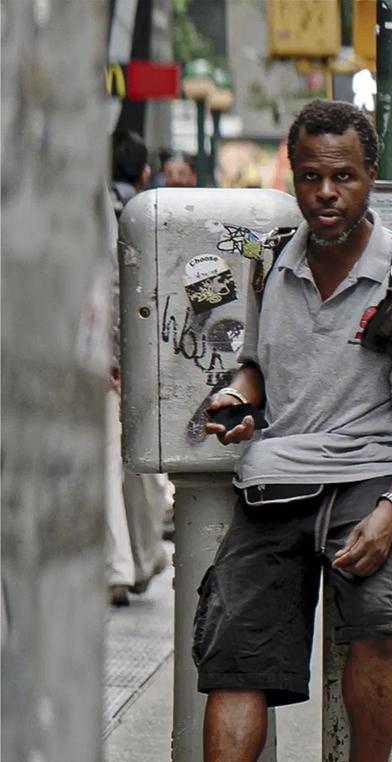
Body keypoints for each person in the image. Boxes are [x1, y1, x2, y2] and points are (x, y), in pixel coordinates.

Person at [195, 100, 392, 762]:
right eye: (311, 177)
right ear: (294, 177)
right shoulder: (274, 266)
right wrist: (239, 396)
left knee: (381, 624)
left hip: (372, 478)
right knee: (234, 653)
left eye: (342, 176)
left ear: (370, 174)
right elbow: (256, 365)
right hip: (277, 476)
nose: (325, 194)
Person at [106, 128, 171, 606]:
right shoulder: (144, 216)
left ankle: (119, 564)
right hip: (129, 352)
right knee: (137, 461)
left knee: (112, 461)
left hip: (99, 355)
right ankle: (142, 555)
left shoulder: (105, 211)